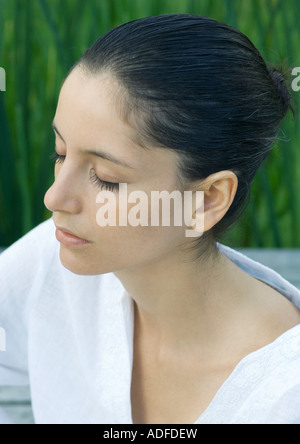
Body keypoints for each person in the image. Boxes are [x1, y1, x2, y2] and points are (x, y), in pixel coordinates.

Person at [1, 14, 300, 425]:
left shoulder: (285, 396)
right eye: (60, 153)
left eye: (106, 180)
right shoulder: (56, 264)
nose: (56, 197)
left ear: (207, 200)